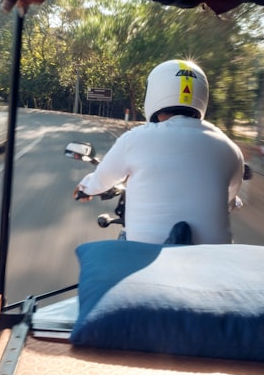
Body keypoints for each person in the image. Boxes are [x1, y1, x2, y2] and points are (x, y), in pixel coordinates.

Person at [74, 59, 244, 244]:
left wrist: (86, 188)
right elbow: (229, 200)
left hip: (144, 253)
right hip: (213, 259)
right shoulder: (230, 149)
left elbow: (103, 179)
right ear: (203, 96)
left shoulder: (135, 139)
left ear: (153, 93)